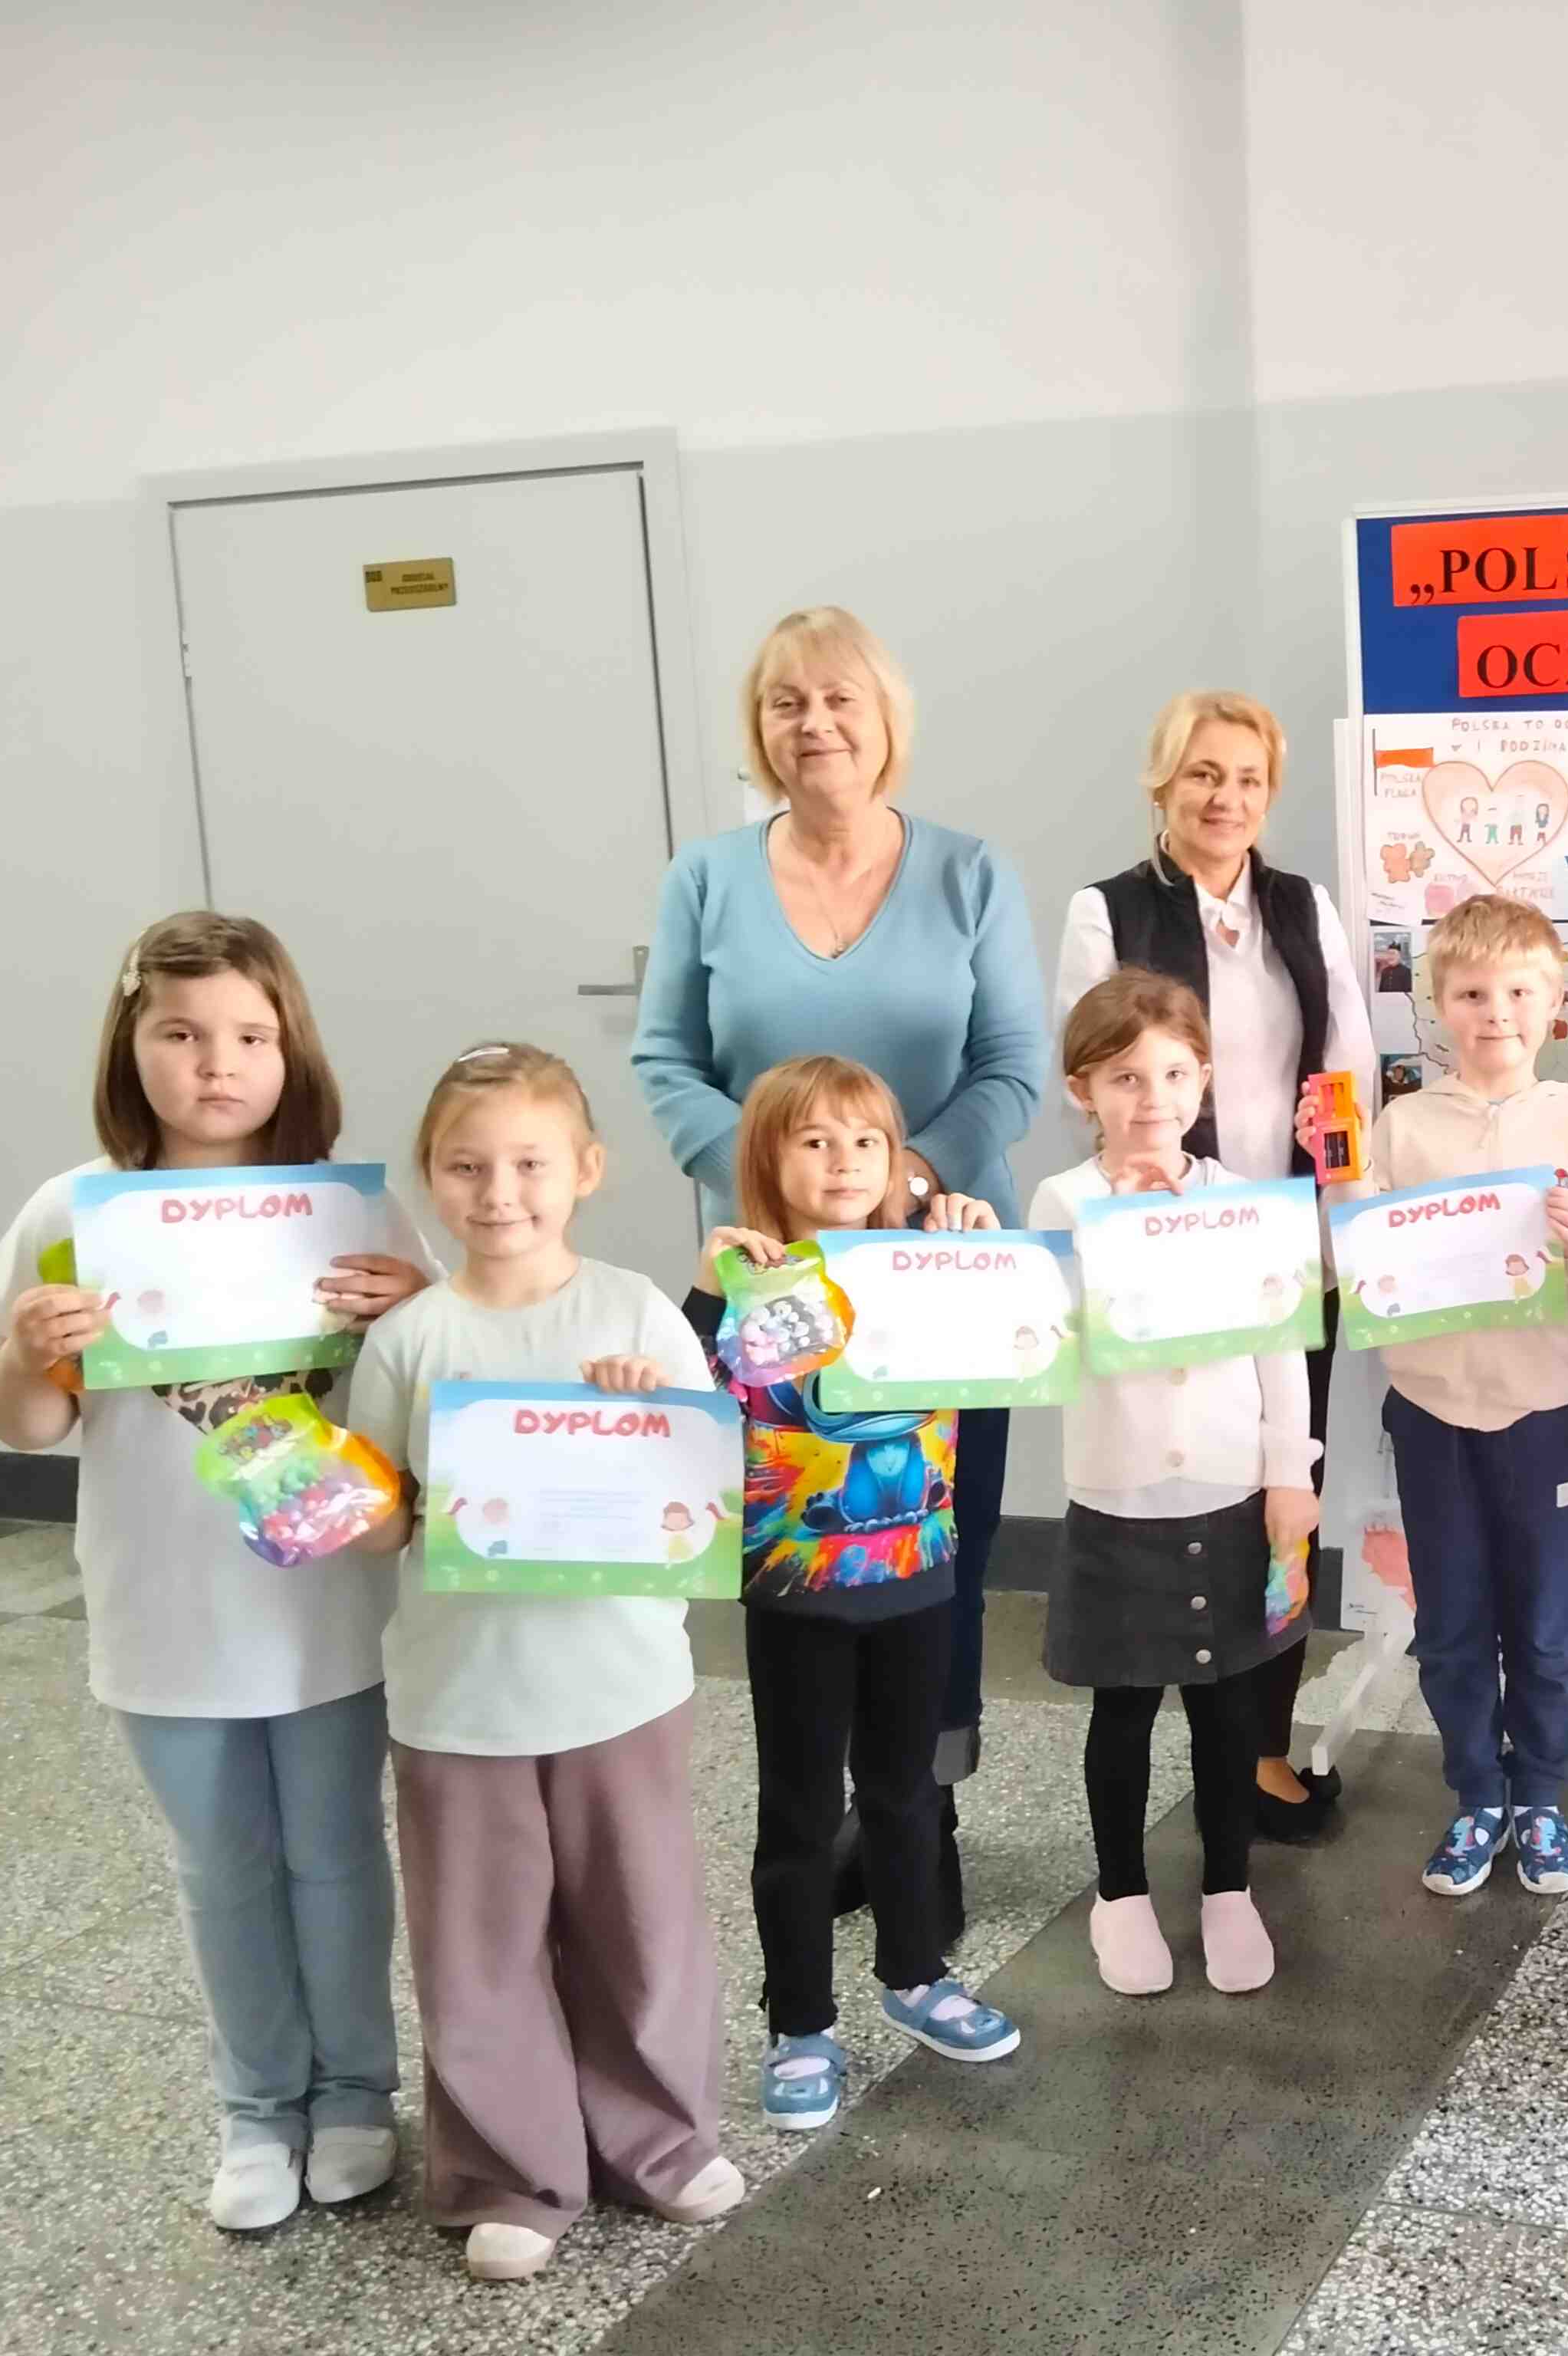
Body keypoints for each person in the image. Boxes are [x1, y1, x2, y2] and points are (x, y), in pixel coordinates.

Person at [0, 914, 432, 2234]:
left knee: (336, 1854)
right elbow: (28, 1422)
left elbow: (425, 1384)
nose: (216, 1062)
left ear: (292, 1049)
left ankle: (355, 2092)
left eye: (248, 1035)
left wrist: (414, 1305)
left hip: (325, 1605)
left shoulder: (351, 1206)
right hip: (164, 1608)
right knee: (222, 1866)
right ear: (131, 1045)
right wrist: (27, 1350)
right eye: (180, 1033)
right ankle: (255, 2105)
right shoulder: (72, 1211)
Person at [635, 606, 1045, 1931]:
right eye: (786, 702)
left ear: (887, 721)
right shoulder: (706, 878)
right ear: (759, 727)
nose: (814, 725)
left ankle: (925, 1814)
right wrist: (772, 1184)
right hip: (772, 1283)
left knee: (940, 1551)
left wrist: (903, 1178)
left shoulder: (971, 874)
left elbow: (1014, 1065)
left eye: (840, 700)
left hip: (940, 1280)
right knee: (804, 1552)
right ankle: (823, 1815)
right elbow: (664, 1061)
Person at [344, 1044, 741, 2282]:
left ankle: (660, 2139)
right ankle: (511, 2170)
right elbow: (383, 1512)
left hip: (620, 1684)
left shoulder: (636, 1313)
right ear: (429, 1175)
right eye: (465, 1167)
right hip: (459, 1694)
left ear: (587, 1169)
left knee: (641, 1921)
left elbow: (706, 1493)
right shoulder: (411, 1337)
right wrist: (316, 1491)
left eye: (529, 1163)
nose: (499, 1192)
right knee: (477, 1944)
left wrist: (645, 1413)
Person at [1055, 692, 1378, 1841]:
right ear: (1162, 782)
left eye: (1247, 778)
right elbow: (1088, 1067)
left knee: (1282, 1487)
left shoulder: (1301, 906)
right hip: (1162, 1251)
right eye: (1202, 773)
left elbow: (1347, 1064)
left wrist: (1346, 1220)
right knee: (1177, 1481)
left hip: (1284, 1246)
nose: (1225, 797)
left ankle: (1260, 1750)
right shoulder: (1107, 910)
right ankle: (1166, 1719)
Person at [686, 1057, 1021, 2131]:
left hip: (917, 1576)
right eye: (815, 1141)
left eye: (866, 1142)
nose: (844, 1162)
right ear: (768, 1160)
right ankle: (799, 2024)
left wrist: (979, 1252)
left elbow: (1016, 1347)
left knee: (905, 1791)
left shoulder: (930, 1266)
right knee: (796, 1811)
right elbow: (692, 1406)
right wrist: (709, 1292)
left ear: (897, 1161)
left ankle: (916, 1977)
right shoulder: (751, 1281)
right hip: (796, 1589)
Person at [1031, 972, 1321, 1995]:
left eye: (1171, 1074)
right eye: (1123, 1078)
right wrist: (1118, 1239)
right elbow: (1051, 1343)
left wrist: (1290, 1472)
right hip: (1119, 1497)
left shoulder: (1242, 1201)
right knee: (1123, 1713)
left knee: (1228, 1714)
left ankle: (1228, 1887)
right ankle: (1120, 1896)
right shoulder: (1065, 1203)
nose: (1150, 1098)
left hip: (1233, 1488)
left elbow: (1281, 1343)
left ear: (1202, 1079)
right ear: (1083, 1091)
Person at [1353, 896, 1568, 1899]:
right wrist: (1346, 1202)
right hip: (1431, 1412)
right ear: (1439, 1004)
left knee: (1548, 1623)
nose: (1496, 1012)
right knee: (1454, 1620)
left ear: (1554, 1006)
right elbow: (1366, 1272)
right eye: (1472, 993)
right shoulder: (1401, 1127)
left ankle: (1541, 1798)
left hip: (1544, 1412)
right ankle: (1477, 1794)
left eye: (1518, 992)